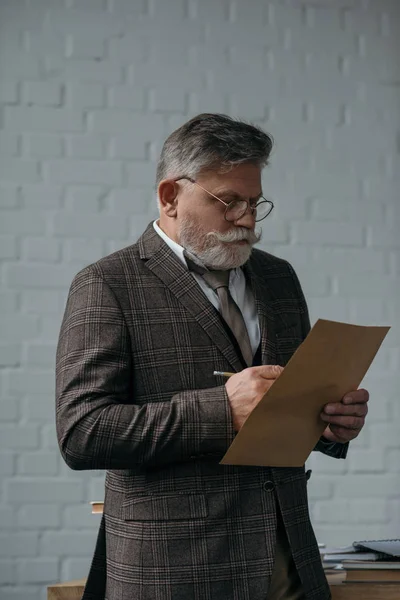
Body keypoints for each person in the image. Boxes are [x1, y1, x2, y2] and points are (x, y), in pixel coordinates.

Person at [56, 113, 369, 600]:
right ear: (170, 196)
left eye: (254, 202)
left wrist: (327, 423)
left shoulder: (279, 279)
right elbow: (82, 433)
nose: (246, 218)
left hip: (289, 566)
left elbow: (284, 409)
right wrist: (221, 410)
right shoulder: (107, 284)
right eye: (229, 201)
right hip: (173, 571)